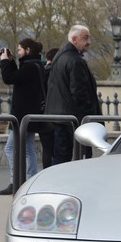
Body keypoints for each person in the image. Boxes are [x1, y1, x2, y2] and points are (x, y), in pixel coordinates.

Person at [45, 24, 101, 164]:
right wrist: (89, 115)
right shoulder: (75, 60)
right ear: (75, 39)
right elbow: (79, 92)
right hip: (73, 117)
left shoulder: (60, 56)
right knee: (78, 157)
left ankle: (55, 183)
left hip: (59, 114)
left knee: (61, 155)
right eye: (86, 38)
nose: (89, 42)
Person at [0, 38, 45, 195]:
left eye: (19, 50)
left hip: (23, 116)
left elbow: (9, 78)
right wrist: (11, 62)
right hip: (29, 114)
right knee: (28, 147)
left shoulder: (30, 67)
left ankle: (15, 181)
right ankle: (30, 179)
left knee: (10, 148)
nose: (18, 53)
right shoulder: (35, 65)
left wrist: (4, 62)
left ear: (28, 50)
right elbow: (17, 76)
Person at [38, 47, 59, 169]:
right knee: (58, 149)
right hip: (57, 114)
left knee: (46, 148)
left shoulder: (42, 72)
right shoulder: (57, 73)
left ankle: (46, 172)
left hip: (44, 113)